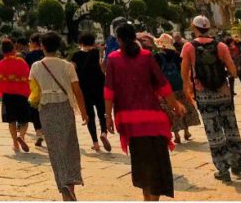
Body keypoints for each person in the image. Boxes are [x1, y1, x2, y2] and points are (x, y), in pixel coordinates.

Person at [105, 23, 185, 201]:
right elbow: (163, 84)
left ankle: (147, 198)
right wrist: (175, 105)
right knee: (157, 165)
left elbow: (109, 90)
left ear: (118, 40)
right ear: (135, 37)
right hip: (154, 120)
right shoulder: (147, 56)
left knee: (142, 167)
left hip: (130, 122)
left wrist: (108, 116)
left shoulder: (113, 59)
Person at [181, 15, 241, 181]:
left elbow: (185, 72)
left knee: (213, 132)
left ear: (193, 27)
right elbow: (232, 70)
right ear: (209, 28)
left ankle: (223, 169)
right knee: (231, 128)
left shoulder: (189, 47)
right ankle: (238, 162)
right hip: (223, 93)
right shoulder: (221, 46)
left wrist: (188, 89)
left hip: (204, 95)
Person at [30, 32, 87, 201]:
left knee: (55, 149)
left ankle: (63, 185)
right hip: (64, 107)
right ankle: (70, 184)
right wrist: (84, 113)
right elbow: (77, 91)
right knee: (69, 147)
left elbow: (34, 90)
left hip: (46, 109)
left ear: (42, 46)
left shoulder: (36, 66)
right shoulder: (67, 66)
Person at [154, 33, 199, 144]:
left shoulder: (157, 57)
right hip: (179, 85)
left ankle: (176, 134)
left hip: (167, 89)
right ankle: (186, 131)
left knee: (171, 111)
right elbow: (184, 69)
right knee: (184, 107)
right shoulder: (177, 55)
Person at [71, 32, 111, 152]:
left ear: (80, 43)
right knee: (101, 112)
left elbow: (72, 71)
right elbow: (102, 69)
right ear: (93, 42)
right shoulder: (96, 53)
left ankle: (95, 142)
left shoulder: (76, 55)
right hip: (98, 86)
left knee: (90, 116)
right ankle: (104, 133)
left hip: (84, 88)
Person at [0, 39, 32, 153]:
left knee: (11, 120)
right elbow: (28, 77)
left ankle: (15, 143)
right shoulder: (21, 62)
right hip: (21, 94)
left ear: (2, 51)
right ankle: (21, 135)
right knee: (24, 119)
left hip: (8, 95)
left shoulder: (1, 64)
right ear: (13, 49)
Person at [23, 33, 46, 146]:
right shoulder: (46, 54)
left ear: (33, 43)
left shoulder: (29, 56)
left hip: (34, 87)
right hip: (47, 86)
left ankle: (39, 133)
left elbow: (27, 73)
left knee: (34, 110)